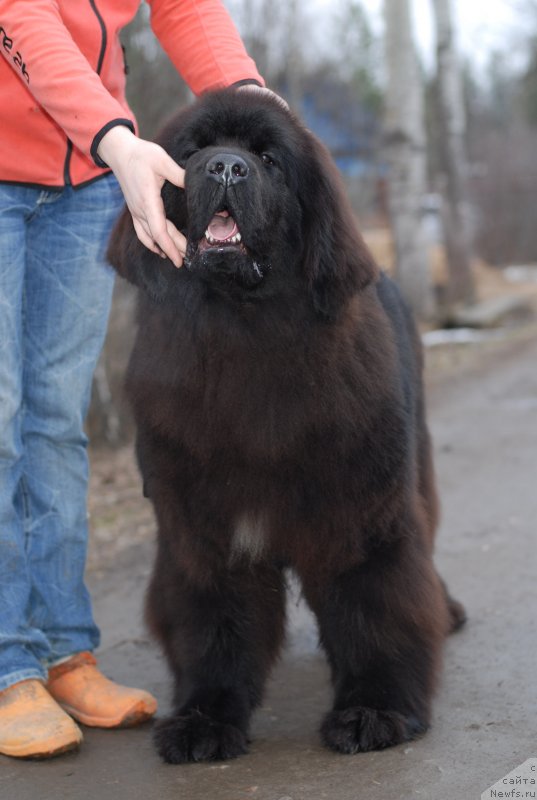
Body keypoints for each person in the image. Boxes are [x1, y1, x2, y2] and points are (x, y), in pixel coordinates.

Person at [0, 0, 279, 760]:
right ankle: (5, 664)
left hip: (85, 179)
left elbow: (186, 8)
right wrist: (116, 135)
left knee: (56, 419)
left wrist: (248, 95)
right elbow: (19, 15)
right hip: (74, 152)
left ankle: (63, 652)